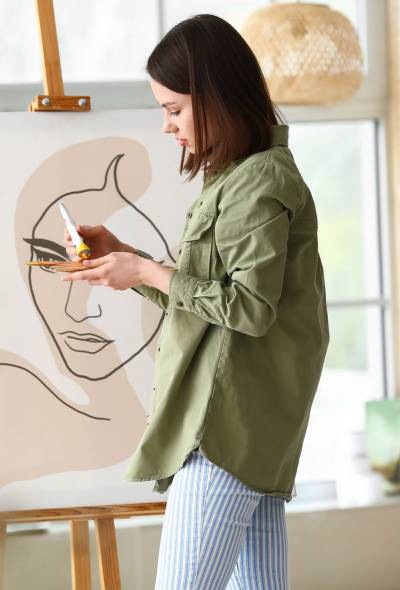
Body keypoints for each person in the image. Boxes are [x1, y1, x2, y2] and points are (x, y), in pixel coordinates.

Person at [63, 13, 330, 590]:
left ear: (217, 98)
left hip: (222, 431)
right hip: (243, 430)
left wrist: (148, 270)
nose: (166, 126)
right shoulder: (241, 177)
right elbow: (213, 306)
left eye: (174, 109)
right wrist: (128, 261)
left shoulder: (259, 182)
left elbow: (249, 310)